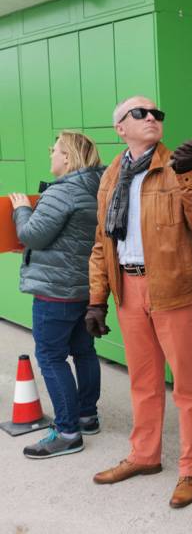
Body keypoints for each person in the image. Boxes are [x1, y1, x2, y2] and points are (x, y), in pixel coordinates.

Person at [87, 96, 192, 508]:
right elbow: (101, 242)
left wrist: (185, 177)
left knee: (188, 387)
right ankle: (145, 456)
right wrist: (97, 299)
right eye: (140, 114)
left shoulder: (183, 167)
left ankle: (191, 467)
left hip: (175, 291)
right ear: (120, 128)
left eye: (157, 114)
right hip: (129, 289)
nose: (152, 118)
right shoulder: (112, 176)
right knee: (143, 383)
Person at [9, 131, 104, 459]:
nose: (51, 155)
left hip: (55, 291)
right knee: (83, 351)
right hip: (84, 287)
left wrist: (21, 210)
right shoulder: (97, 188)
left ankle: (67, 432)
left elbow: (32, 236)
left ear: (68, 158)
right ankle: (87, 416)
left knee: (50, 357)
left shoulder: (62, 192)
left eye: (55, 151)